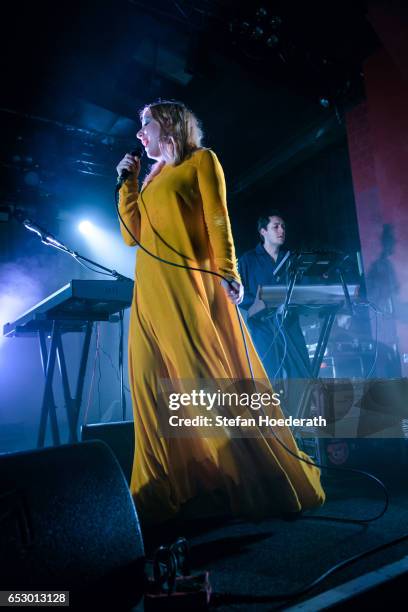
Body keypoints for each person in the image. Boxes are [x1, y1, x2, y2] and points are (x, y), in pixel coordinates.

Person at [116, 100, 324, 526]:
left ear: (169, 124)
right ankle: (161, 490)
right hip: (149, 297)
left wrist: (228, 271)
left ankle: (242, 477)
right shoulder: (150, 178)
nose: (140, 134)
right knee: (149, 388)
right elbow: (130, 235)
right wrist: (127, 184)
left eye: (146, 125)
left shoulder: (201, 161)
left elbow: (217, 218)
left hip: (187, 289)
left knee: (202, 383)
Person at [239, 213, 312, 381]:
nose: (281, 230)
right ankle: (273, 408)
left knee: (301, 377)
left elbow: (304, 289)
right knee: (270, 378)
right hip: (262, 327)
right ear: (263, 231)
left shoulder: (292, 259)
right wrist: (258, 303)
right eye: (276, 226)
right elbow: (239, 294)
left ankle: (301, 408)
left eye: (283, 227)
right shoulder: (247, 260)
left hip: (289, 324)